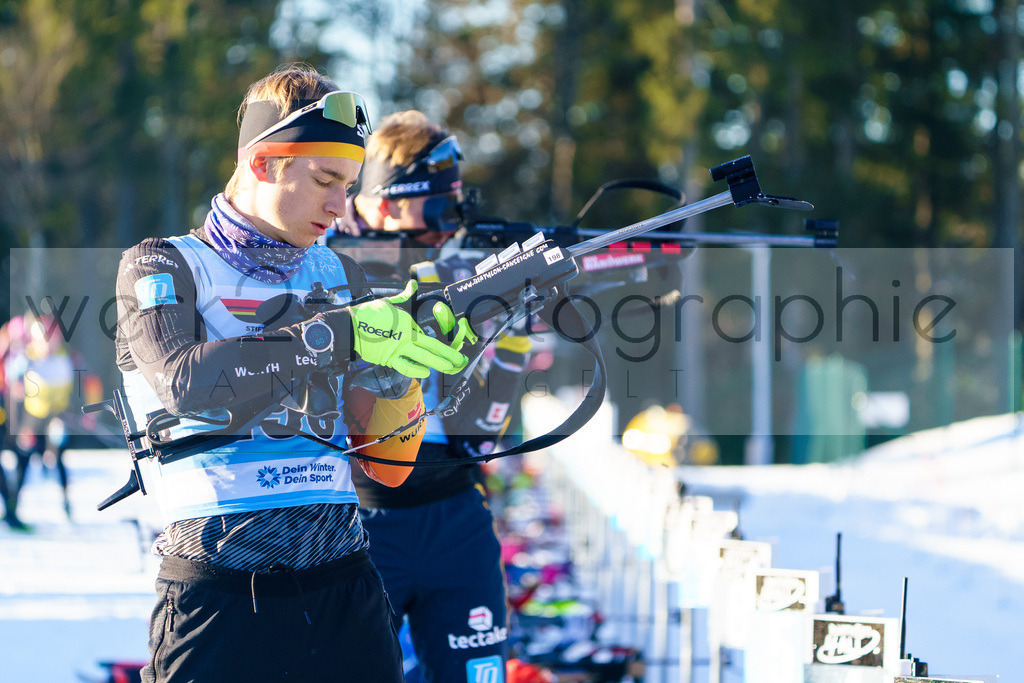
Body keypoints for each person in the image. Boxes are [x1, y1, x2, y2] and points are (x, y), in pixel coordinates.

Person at [114, 64, 473, 683]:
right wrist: (343, 335)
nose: (342, 206)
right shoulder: (166, 263)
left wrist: (409, 366)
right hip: (220, 589)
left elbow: (385, 463)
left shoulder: (343, 275)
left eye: (353, 185)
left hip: (344, 589)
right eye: (327, 180)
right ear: (261, 164)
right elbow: (186, 384)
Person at [324, 110, 533, 683]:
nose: (450, 226)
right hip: (353, 519)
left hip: (456, 511)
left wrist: (515, 325)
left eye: (456, 206)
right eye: (437, 208)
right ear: (386, 202)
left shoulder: (457, 263)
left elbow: (479, 430)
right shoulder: (315, 261)